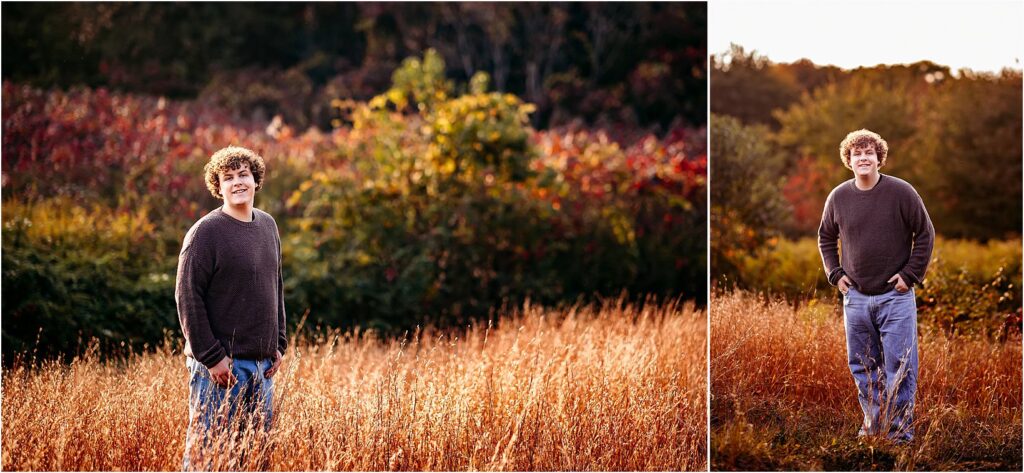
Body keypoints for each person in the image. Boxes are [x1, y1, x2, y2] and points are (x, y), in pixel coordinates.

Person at [817, 129, 934, 443]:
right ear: (849, 160)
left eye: (869, 152)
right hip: (855, 298)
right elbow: (825, 237)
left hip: (895, 298)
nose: (864, 158)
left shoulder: (901, 192)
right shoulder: (838, 197)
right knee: (862, 367)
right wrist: (835, 273)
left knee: (901, 367)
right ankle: (872, 427)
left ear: (879, 158)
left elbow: (925, 234)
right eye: (857, 153)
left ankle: (899, 435)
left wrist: (910, 275)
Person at [176, 146, 287, 470]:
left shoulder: (268, 226)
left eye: (243, 175)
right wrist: (211, 357)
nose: (237, 182)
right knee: (207, 461)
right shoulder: (205, 233)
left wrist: (278, 343)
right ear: (218, 186)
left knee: (254, 461)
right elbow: (187, 297)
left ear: (255, 181)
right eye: (228, 178)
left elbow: (275, 285)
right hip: (221, 371)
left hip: (262, 369)